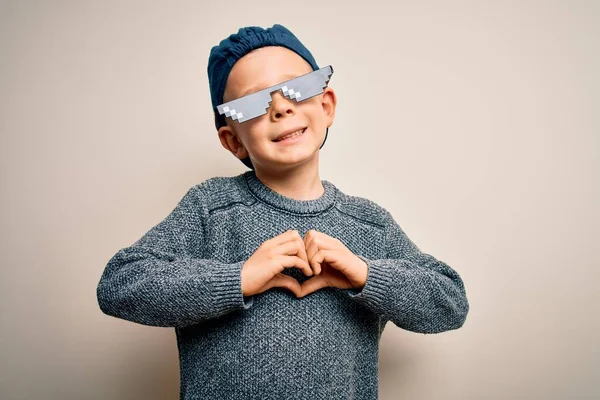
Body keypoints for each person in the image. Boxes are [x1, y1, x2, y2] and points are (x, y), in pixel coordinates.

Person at [96, 23, 470, 400]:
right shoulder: (211, 208)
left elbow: (450, 303)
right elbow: (119, 284)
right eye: (252, 103)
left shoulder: (370, 224)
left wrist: (366, 274)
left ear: (325, 106)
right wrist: (237, 278)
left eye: (298, 88)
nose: (280, 106)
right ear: (233, 140)